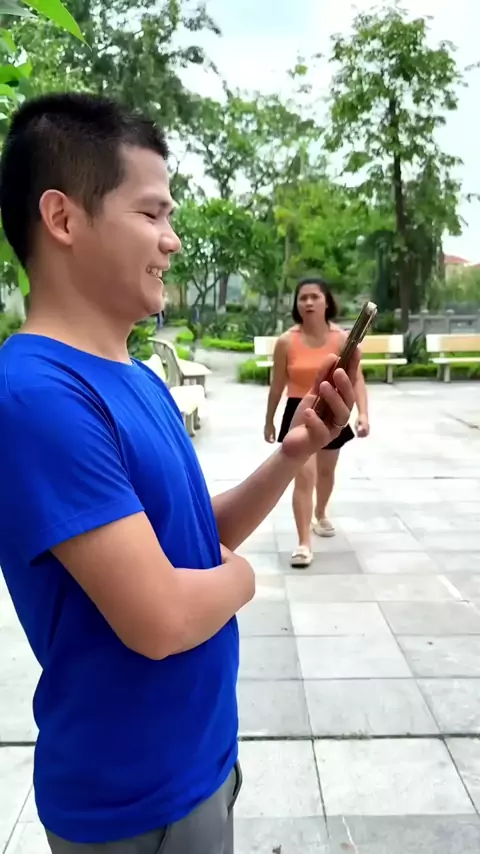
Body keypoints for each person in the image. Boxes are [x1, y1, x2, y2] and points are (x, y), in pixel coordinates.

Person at [0, 94, 358, 854]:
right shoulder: (37, 395)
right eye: (152, 213)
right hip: (133, 803)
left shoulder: (136, 377)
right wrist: (245, 580)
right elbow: (160, 616)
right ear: (62, 219)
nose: (173, 239)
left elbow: (191, 537)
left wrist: (293, 451)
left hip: (198, 763)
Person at [264, 277, 369, 568]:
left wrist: (363, 414)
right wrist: (269, 420)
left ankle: (320, 513)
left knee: (325, 472)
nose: (308, 302)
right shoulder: (286, 341)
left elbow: (356, 379)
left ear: (327, 301)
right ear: (296, 304)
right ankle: (303, 543)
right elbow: (277, 385)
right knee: (303, 476)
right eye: (303, 298)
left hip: (332, 408)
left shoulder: (342, 339)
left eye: (315, 297)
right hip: (299, 411)